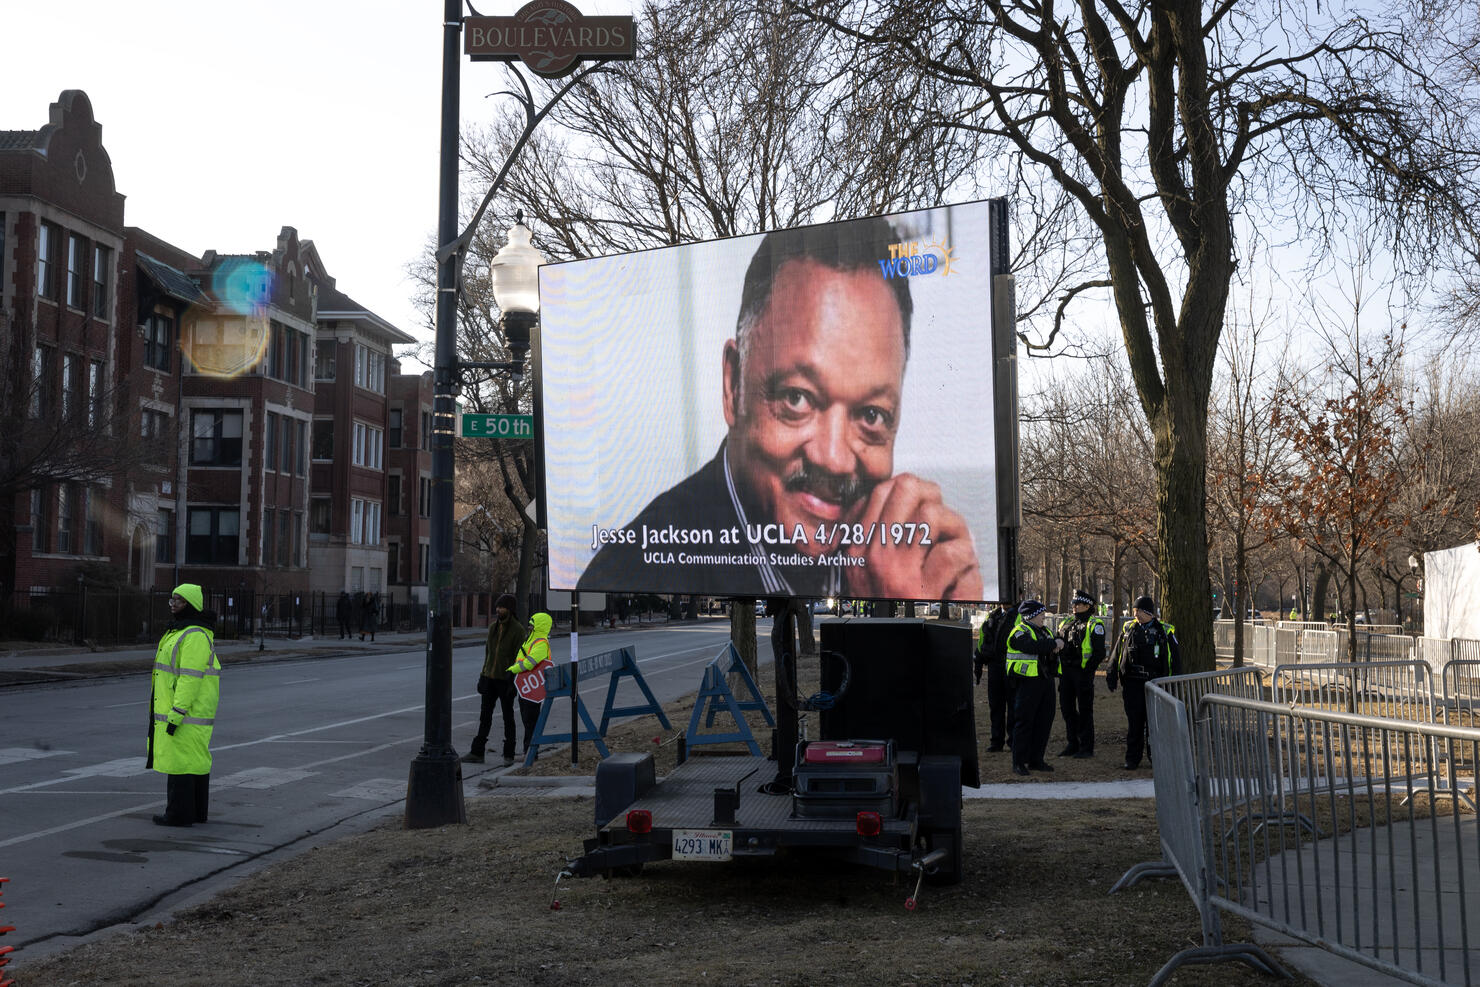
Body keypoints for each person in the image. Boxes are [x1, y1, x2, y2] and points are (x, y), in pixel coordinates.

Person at [577, 216, 982, 601]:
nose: (836, 460)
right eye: (797, 398)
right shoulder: (627, 573)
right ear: (733, 386)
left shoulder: (901, 564)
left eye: (871, 416)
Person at [147, 583, 221, 827]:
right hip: (190, 712)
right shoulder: (182, 631)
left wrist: (177, 712)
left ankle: (178, 814)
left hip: (186, 713)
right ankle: (196, 812)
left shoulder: (194, 635)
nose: (173, 604)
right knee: (193, 761)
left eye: (178, 601)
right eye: (172, 600)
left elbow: (189, 679)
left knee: (181, 762)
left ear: (190, 604)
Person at [1106, 595, 1181, 770]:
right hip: (1133, 684)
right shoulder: (1129, 630)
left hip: (1155, 684)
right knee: (1135, 723)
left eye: (1139, 611)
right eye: (1134, 611)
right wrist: (1111, 675)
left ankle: (1156, 757)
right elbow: (1117, 655)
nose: (1136, 614)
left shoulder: (1165, 632)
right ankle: (1132, 759)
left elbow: (1174, 660)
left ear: (1149, 613)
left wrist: (1173, 682)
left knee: (1154, 723)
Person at [461, 594, 525, 766]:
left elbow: (518, 658)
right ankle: (477, 752)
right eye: (497, 607)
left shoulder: (518, 630)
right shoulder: (492, 628)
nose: (498, 610)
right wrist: (483, 674)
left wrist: (513, 680)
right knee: (485, 716)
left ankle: (509, 754)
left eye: (502, 607)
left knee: (508, 717)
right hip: (489, 677)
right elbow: (488, 653)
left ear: (510, 609)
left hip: (505, 679)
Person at [1005, 599, 1063, 777]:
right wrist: (1054, 644)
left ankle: (1036, 759)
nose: (1043, 617)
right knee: (1024, 722)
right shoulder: (1019, 632)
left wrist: (1056, 643)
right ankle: (1019, 762)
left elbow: (1053, 645)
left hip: (1045, 681)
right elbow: (1031, 646)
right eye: (1040, 614)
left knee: (1044, 721)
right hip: (1027, 682)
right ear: (1031, 615)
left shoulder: (1043, 631)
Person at [1056, 590, 1106, 759]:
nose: (1074, 607)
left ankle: (1086, 746)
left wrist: (1087, 671)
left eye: (1078, 604)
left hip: (1082, 673)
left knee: (1085, 711)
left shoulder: (1095, 624)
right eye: (1074, 604)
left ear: (1088, 606)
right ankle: (1073, 743)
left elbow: (1099, 652)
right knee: (1067, 709)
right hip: (1066, 673)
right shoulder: (1067, 622)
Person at [507, 611, 553, 756]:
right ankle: (529, 751)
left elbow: (530, 662)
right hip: (527, 685)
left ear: (539, 626)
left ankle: (531, 752)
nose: (529, 627)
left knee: (530, 720)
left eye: (532, 625)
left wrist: (512, 669)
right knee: (527, 719)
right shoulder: (532, 640)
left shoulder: (540, 643)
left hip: (533, 688)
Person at [974, 602, 1016, 753]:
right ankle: (996, 741)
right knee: (996, 706)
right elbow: (983, 640)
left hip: (1012, 667)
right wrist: (978, 661)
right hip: (994, 667)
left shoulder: (1019, 615)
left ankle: (1013, 741)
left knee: (1013, 706)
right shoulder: (993, 615)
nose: (1004, 601)